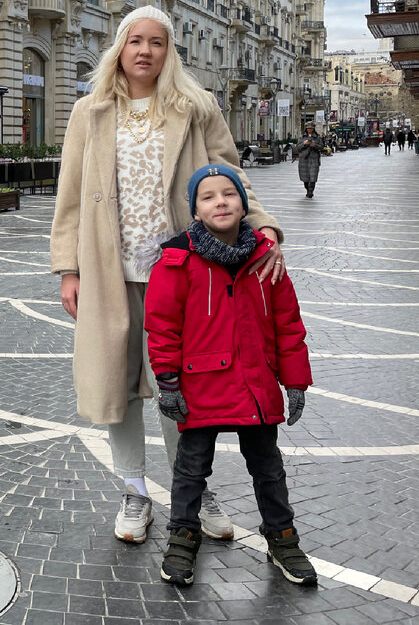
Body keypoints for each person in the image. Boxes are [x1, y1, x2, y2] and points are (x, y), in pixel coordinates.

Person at [50, 5, 286, 545]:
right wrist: (68, 268)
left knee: (184, 389)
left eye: (156, 42)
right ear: (120, 47)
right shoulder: (90, 111)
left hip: (184, 273)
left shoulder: (195, 107)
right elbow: (68, 199)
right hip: (110, 272)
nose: (145, 51)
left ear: (168, 50)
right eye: (136, 41)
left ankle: (195, 490)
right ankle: (134, 492)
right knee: (116, 385)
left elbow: (230, 176)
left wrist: (263, 225)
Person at [145, 165, 316, 587]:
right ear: (195, 210)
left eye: (229, 194)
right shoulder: (176, 259)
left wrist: (295, 381)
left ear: (243, 203)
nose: (220, 201)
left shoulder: (265, 256)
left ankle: (283, 538)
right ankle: (182, 539)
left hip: (255, 385)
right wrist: (167, 383)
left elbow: (288, 324)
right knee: (191, 470)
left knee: (268, 469)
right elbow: (162, 325)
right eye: (208, 196)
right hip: (199, 386)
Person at [295, 124, 322, 198]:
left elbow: (321, 147)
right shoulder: (302, 137)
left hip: (314, 159)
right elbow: (297, 148)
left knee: (313, 176)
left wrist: (314, 145)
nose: (309, 130)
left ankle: (311, 190)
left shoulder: (318, 137)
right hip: (304, 159)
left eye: (311, 128)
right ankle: (307, 189)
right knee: (305, 177)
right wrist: (304, 143)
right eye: (308, 128)